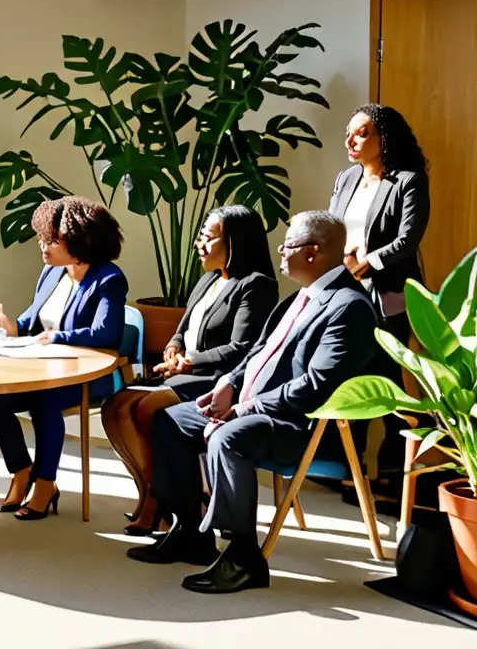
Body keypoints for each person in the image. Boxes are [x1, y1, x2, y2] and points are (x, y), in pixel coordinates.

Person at [127, 211, 377, 594]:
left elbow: (317, 386)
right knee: (171, 421)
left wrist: (243, 409)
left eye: (287, 245)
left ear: (312, 253)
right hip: (256, 407)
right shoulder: (300, 297)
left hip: (303, 425)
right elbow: (257, 352)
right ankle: (191, 532)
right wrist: (229, 383)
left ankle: (243, 557)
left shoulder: (349, 306)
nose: (280, 251)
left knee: (230, 435)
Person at [101, 205, 278, 535]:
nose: (200, 244)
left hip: (217, 381)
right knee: (114, 408)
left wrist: (191, 360)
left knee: (142, 410)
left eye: (208, 238)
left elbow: (242, 348)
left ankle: (159, 502)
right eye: (201, 237)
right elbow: (183, 328)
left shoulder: (256, 285)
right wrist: (173, 346)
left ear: (235, 242)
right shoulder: (208, 279)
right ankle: (151, 494)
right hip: (185, 373)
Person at [0, 196, 128, 521]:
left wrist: (58, 338)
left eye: (53, 240)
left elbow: (105, 333)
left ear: (80, 238)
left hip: (86, 376)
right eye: (43, 239)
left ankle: (46, 484)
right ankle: (21, 471)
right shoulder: (51, 273)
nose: (44, 248)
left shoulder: (108, 280)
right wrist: (9, 327)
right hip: (43, 369)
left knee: (44, 402)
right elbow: (32, 321)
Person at [330, 104, 429, 477]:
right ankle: (350, 469)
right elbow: (332, 227)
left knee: (387, 382)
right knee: (350, 377)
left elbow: (408, 239)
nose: (351, 140)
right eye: (349, 132)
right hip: (346, 293)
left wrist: (368, 261)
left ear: (384, 137)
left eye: (362, 133)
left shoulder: (408, 180)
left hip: (388, 296)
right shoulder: (346, 179)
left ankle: (393, 473)